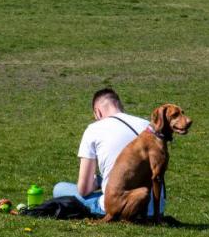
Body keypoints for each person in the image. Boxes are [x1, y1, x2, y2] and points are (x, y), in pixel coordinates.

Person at [51, 87, 158, 217]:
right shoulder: (147, 126)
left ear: (98, 112)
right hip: (155, 208)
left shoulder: (94, 129)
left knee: (60, 188)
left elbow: (83, 189)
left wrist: (96, 182)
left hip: (123, 209)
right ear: (120, 106)